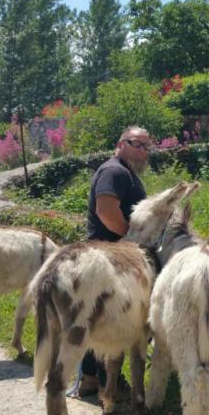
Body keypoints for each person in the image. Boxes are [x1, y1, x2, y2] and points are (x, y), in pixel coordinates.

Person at [71, 126, 152, 398]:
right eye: (136, 144)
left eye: (146, 147)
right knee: (110, 321)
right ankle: (108, 385)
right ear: (120, 144)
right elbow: (106, 211)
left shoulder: (124, 173)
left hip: (107, 257)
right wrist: (130, 240)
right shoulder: (115, 171)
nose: (142, 151)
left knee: (98, 319)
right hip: (109, 258)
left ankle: (92, 379)